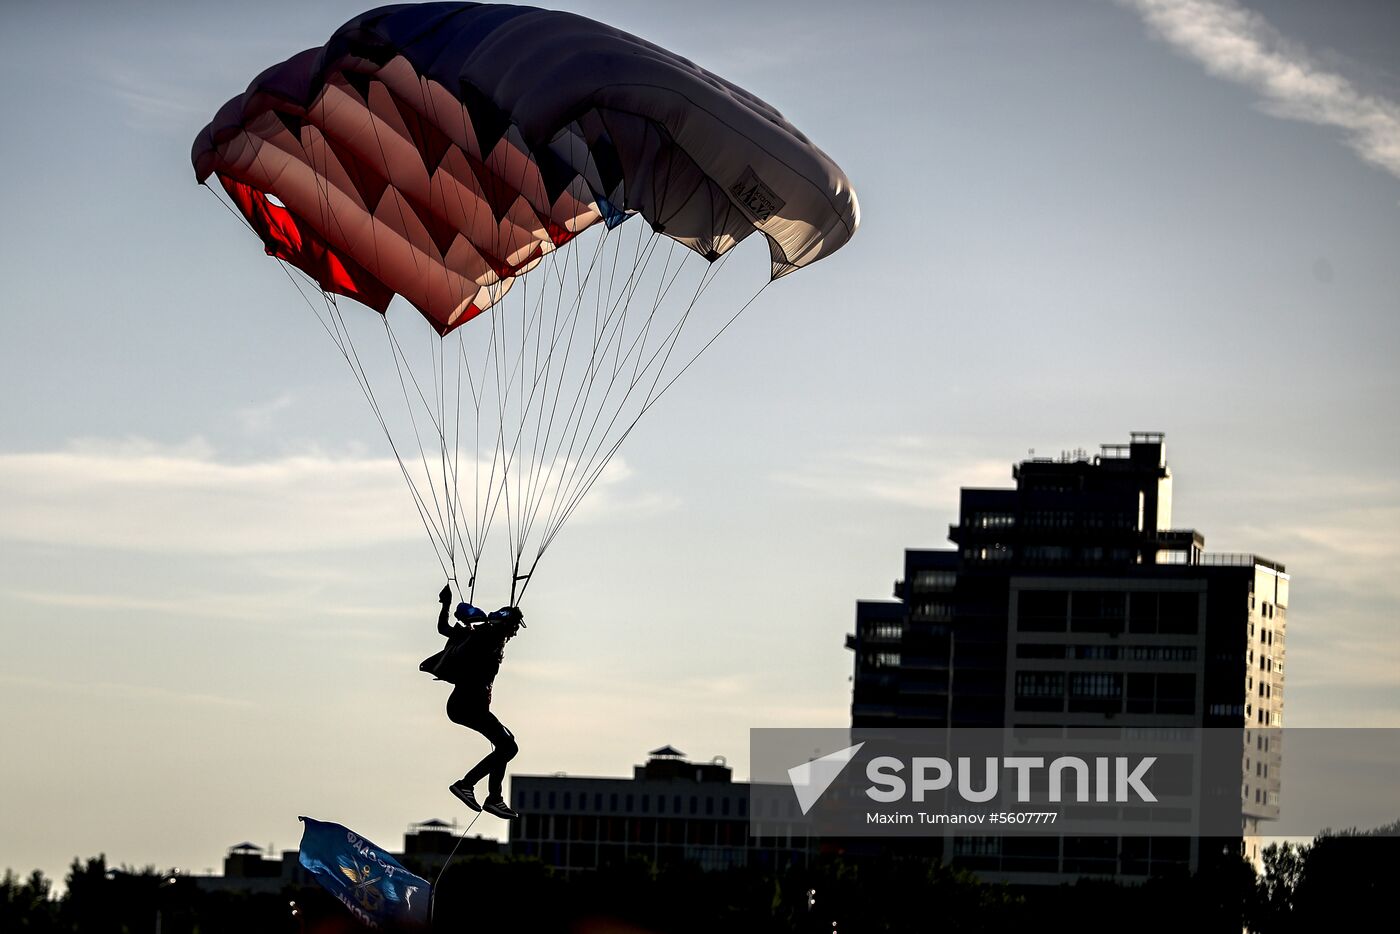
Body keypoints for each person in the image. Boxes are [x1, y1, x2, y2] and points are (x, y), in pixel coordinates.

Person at [429, 584, 523, 820]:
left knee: (506, 744)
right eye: (513, 628)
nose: (514, 634)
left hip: (467, 705)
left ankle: (493, 798)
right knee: (508, 747)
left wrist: (446, 605)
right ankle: (467, 785)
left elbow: (443, 629)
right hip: (466, 705)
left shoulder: (481, 635)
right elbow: (479, 633)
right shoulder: (486, 638)